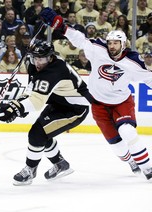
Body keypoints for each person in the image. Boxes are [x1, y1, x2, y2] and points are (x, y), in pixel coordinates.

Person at [40, 7, 152, 180]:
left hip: (121, 102)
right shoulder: (97, 49)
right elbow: (79, 39)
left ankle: (148, 168)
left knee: (127, 131)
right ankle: (131, 161)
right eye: (110, 42)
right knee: (118, 148)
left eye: (115, 43)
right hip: (98, 104)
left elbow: (149, 79)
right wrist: (60, 25)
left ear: (123, 44)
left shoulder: (133, 62)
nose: (111, 46)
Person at [0, 40, 91, 185]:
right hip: (59, 101)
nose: (38, 62)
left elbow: (36, 102)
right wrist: (18, 104)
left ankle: (30, 170)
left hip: (75, 109)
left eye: (41, 58)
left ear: (51, 57)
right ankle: (60, 164)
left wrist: (15, 108)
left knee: (37, 134)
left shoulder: (54, 70)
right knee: (42, 134)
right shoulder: (35, 65)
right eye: (35, 58)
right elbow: (30, 90)